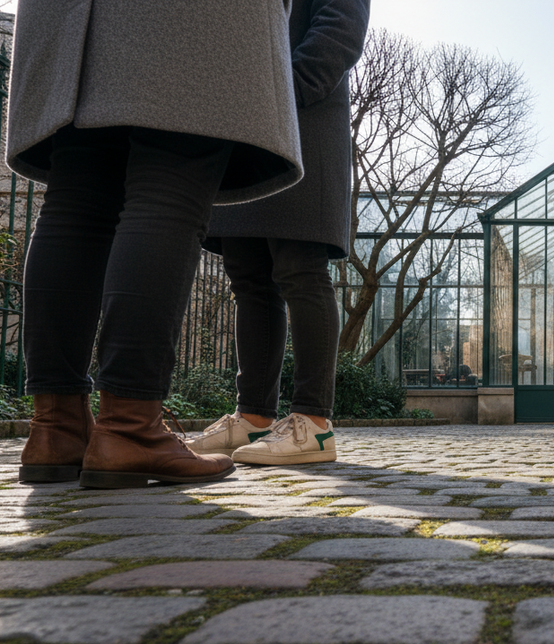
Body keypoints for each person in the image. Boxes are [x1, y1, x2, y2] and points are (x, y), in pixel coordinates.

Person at [10, 2, 303, 488]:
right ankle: (130, 429)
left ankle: (55, 430)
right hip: (183, 20)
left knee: (76, 199)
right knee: (171, 184)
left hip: (69, 19)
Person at [187, 0, 370, 466]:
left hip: (301, 122)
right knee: (248, 279)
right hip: (242, 128)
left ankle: (314, 424)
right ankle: (253, 419)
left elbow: (341, 27)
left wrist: (286, 93)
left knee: (300, 269)